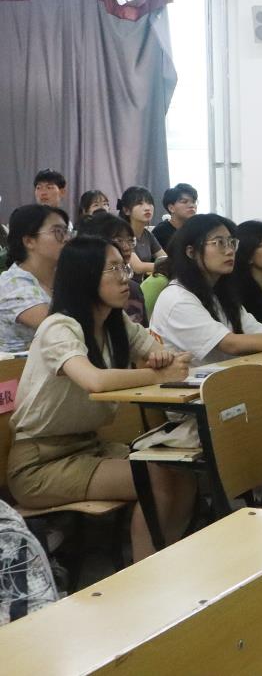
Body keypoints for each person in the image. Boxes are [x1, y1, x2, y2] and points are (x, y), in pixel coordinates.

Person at [5, 237, 196, 562]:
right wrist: (157, 374)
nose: (126, 279)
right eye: (114, 269)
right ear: (84, 276)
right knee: (155, 477)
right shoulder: (58, 327)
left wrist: (165, 361)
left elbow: (167, 358)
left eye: (125, 268)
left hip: (90, 446)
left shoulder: (115, 323)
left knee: (182, 469)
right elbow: (94, 380)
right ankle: (147, 572)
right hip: (40, 462)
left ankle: (167, 556)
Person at [150, 214, 262, 365]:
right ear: (191, 252)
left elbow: (261, 333)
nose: (229, 251)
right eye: (219, 243)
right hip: (190, 386)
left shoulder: (218, 294)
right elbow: (230, 344)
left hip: (224, 379)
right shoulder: (177, 298)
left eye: (231, 243)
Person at [0, 205, 69, 354]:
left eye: (66, 231)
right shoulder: (13, 284)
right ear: (29, 241)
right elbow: (62, 329)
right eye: (58, 232)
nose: (66, 239)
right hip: (18, 368)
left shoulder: (63, 275)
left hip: (61, 360)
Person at [76, 212, 149, 324]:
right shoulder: (77, 294)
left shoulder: (132, 290)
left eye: (130, 241)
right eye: (118, 241)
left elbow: (141, 333)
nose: (127, 247)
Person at [117, 186, 165, 278]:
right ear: (126, 210)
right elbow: (138, 267)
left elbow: (163, 258)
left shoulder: (147, 234)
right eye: (140, 204)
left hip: (144, 282)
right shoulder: (121, 235)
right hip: (126, 283)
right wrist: (169, 266)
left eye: (150, 203)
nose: (147, 208)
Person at [152, 183, 198, 249]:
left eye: (193, 202)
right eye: (184, 202)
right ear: (171, 208)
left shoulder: (198, 228)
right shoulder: (160, 232)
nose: (192, 205)